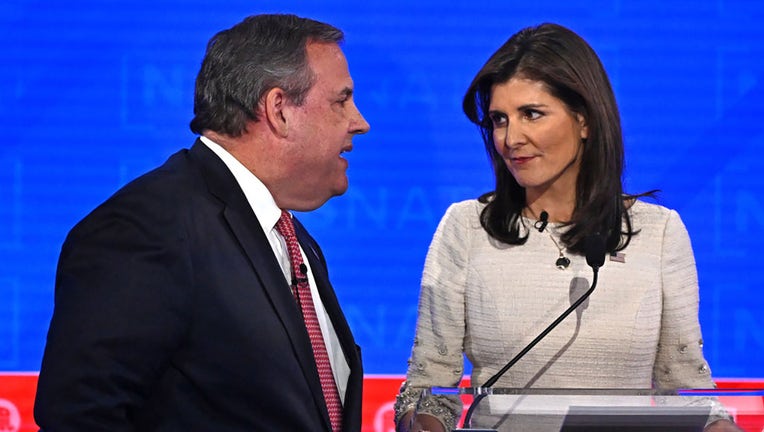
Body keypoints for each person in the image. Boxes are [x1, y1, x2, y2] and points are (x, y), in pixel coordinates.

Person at [393, 23, 740, 432]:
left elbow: (686, 391)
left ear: (585, 121)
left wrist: (720, 426)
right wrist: (424, 421)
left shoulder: (659, 233)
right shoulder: (467, 228)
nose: (510, 138)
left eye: (531, 114)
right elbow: (428, 390)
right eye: (499, 119)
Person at [34, 13, 369, 431]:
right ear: (279, 109)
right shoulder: (147, 227)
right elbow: (80, 415)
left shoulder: (292, 239)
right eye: (341, 101)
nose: (360, 121)